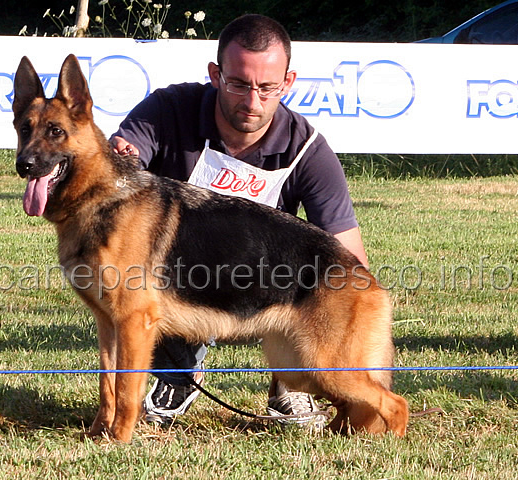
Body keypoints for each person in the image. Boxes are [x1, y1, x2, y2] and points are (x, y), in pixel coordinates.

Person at [110, 13, 369, 430]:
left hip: (267, 294)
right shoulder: (169, 109)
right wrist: (121, 157)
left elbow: (350, 258)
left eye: (267, 88)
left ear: (288, 82)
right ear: (215, 74)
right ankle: (178, 375)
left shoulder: (308, 150)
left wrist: (345, 343)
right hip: (180, 290)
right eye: (239, 84)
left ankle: (292, 386)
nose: (252, 102)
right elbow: (120, 169)